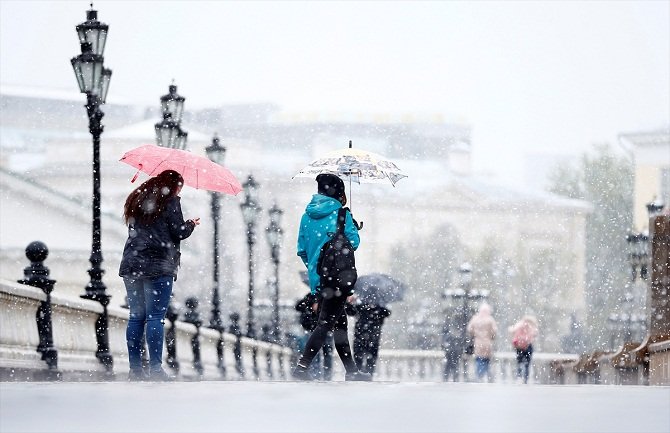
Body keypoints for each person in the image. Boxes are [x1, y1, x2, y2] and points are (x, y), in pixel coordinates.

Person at [119, 170, 200, 381]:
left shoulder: (137, 198)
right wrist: (190, 224)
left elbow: (137, 230)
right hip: (159, 264)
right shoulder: (170, 200)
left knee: (136, 317)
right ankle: (155, 369)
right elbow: (178, 232)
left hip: (133, 264)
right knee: (155, 317)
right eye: (179, 187)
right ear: (174, 186)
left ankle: (135, 369)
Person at [292, 173, 370, 381]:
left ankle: (351, 370)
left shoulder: (306, 216)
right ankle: (301, 367)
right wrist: (350, 223)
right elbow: (352, 244)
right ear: (339, 192)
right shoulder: (341, 214)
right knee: (326, 323)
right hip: (337, 278)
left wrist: (316, 270)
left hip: (320, 278)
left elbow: (302, 250)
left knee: (340, 324)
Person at [352, 300, 391, 375]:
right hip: (363, 335)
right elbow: (350, 311)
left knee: (368, 357)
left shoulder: (378, 308)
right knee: (361, 356)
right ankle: (363, 373)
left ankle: (365, 374)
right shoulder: (361, 307)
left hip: (369, 336)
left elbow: (387, 313)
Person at [466, 303, 498, 382]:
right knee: (486, 360)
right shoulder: (490, 319)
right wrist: (491, 336)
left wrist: (475, 334)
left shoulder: (475, 319)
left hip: (478, 342)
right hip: (487, 343)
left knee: (479, 359)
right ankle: (484, 375)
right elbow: (494, 331)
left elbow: (469, 329)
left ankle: (479, 375)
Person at [509, 315, 539, 384]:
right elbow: (534, 334)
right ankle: (525, 378)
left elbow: (512, 331)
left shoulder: (519, 325)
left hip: (519, 346)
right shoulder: (532, 326)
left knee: (519, 362)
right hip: (528, 345)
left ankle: (519, 376)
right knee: (527, 363)